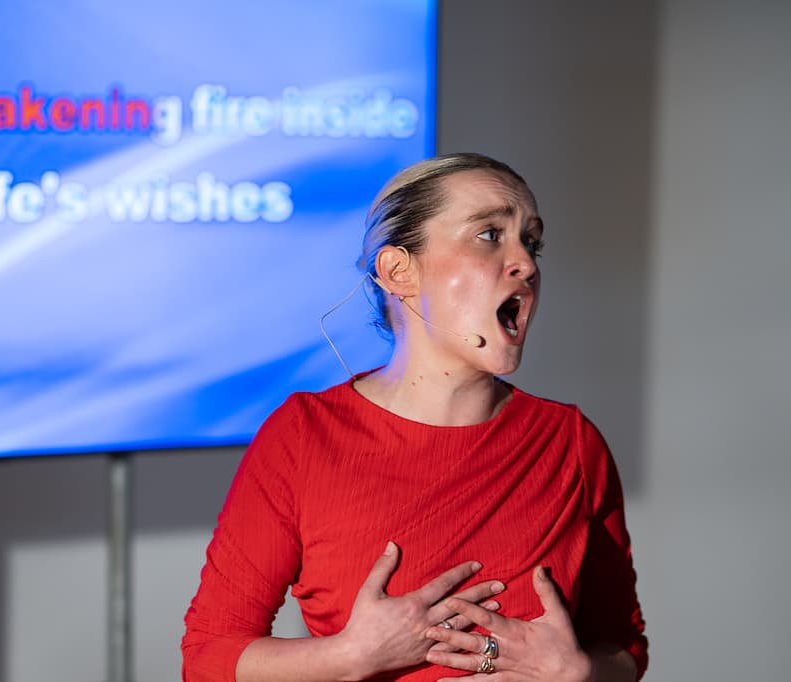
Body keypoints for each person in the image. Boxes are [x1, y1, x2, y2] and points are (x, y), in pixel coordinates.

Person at [182, 153, 647, 681]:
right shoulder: (303, 436)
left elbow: (625, 647)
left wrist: (580, 672)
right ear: (399, 271)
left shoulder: (572, 443)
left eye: (531, 242)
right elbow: (208, 659)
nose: (526, 263)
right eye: (490, 235)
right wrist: (352, 656)